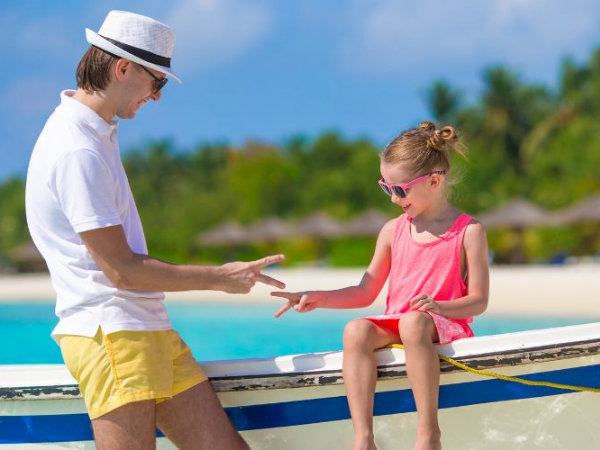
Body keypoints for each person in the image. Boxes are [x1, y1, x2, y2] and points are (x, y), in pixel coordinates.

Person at [25, 10, 284, 450]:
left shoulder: (93, 133)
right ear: (121, 68)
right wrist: (221, 279)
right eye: (156, 81)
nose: (157, 96)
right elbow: (122, 271)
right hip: (112, 331)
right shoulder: (77, 149)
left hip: (143, 326)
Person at [272, 122, 489, 450]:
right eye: (386, 188)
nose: (393, 198)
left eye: (400, 190)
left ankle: (428, 433)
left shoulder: (468, 231)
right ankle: (364, 438)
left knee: (414, 323)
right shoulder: (393, 230)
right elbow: (366, 290)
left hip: (444, 323)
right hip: (402, 323)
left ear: (433, 181)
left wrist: (440, 307)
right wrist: (316, 297)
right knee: (355, 331)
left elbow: (478, 301)